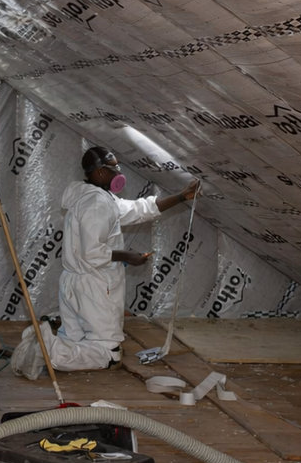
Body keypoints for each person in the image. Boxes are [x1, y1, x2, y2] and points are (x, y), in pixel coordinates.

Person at [12, 146, 199, 378]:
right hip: (95, 285)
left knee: (74, 338)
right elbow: (92, 251)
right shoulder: (97, 204)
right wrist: (126, 255)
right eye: (114, 167)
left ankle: (48, 346)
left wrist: (182, 196)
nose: (119, 172)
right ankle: (45, 349)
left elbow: (138, 210)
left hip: (75, 283)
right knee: (108, 351)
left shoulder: (91, 196)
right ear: (100, 173)